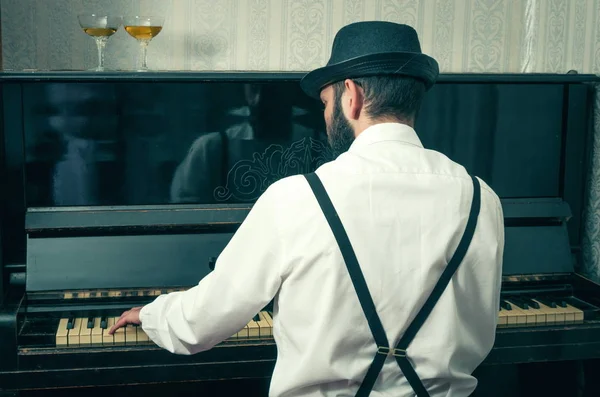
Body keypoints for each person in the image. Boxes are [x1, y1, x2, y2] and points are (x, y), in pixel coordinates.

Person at [110, 21, 504, 397]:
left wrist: (151, 314)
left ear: (352, 96)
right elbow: (479, 328)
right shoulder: (481, 198)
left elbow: (203, 321)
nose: (325, 113)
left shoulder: (297, 198)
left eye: (326, 101)